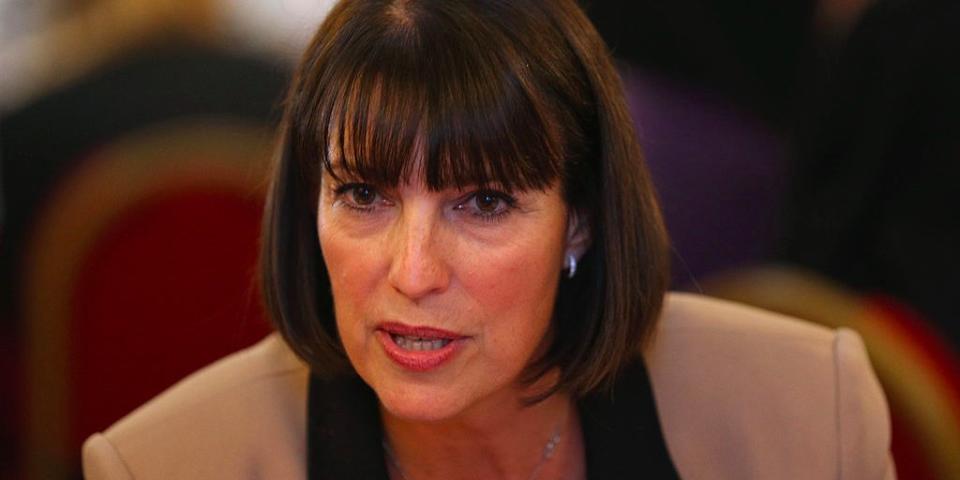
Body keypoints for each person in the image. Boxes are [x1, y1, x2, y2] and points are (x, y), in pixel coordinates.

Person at [82, 0, 895, 478]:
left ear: (580, 219)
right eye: (362, 194)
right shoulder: (162, 465)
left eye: (482, 203)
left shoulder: (806, 421)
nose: (414, 271)